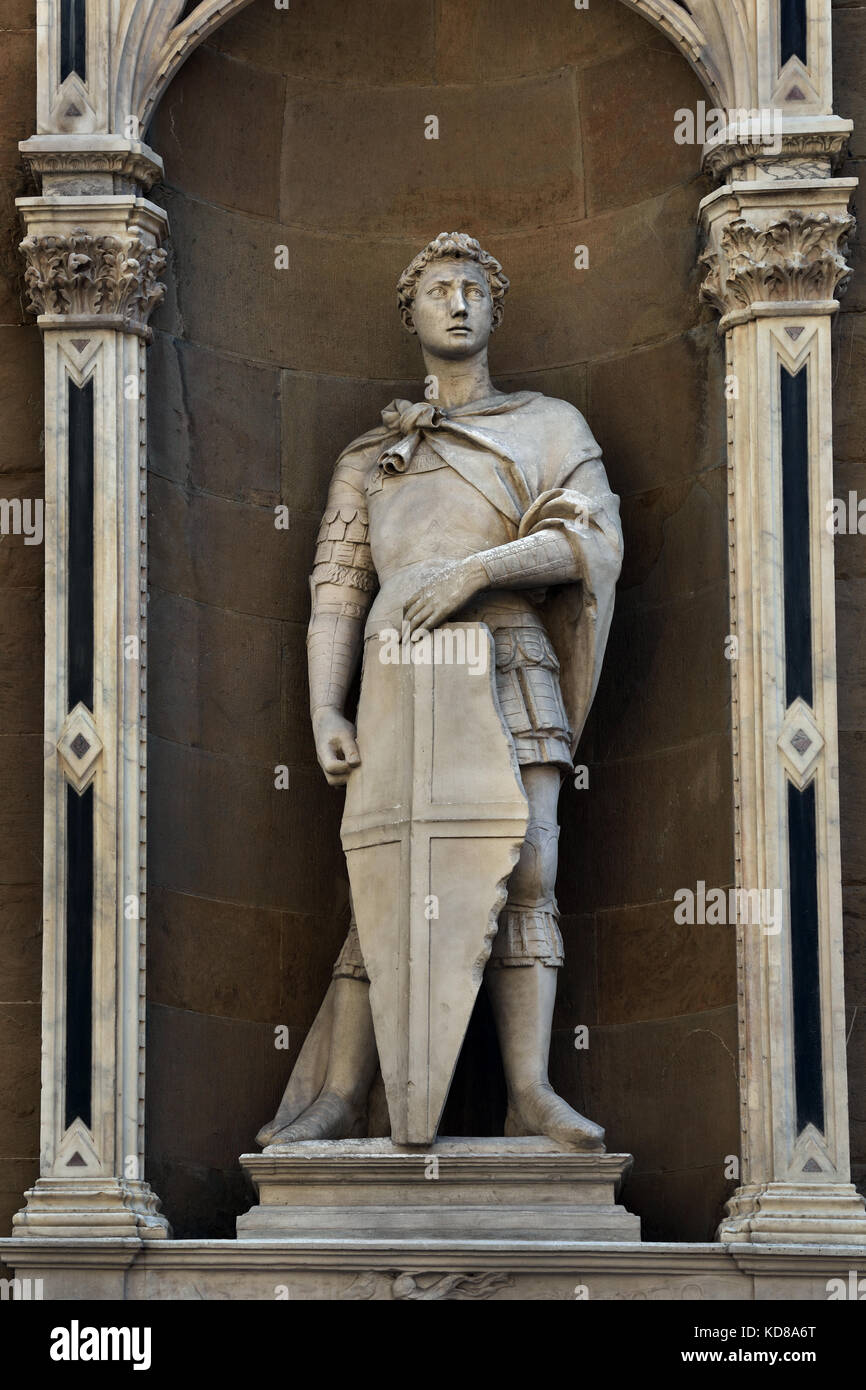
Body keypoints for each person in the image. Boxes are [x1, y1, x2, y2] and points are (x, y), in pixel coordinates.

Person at [258, 232, 623, 1149]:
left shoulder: (549, 426)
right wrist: (323, 709)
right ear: (410, 314)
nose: (457, 301)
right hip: (397, 675)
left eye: (472, 288)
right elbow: (337, 591)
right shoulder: (370, 457)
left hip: (510, 655)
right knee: (383, 883)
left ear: (496, 310)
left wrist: (472, 572)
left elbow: (591, 543)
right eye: (437, 289)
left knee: (529, 867)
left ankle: (529, 1092)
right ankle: (343, 1097)